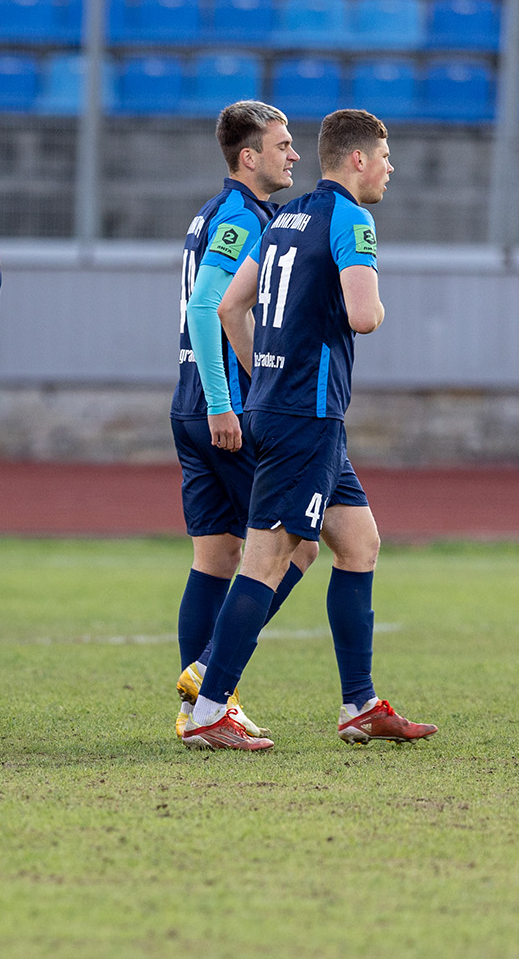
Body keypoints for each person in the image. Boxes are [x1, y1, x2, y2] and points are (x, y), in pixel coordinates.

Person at [184, 109, 438, 750]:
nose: (388, 168)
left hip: (290, 409)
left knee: (359, 545)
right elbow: (363, 316)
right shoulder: (353, 220)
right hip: (307, 415)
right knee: (268, 559)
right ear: (356, 159)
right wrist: (377, 299)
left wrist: (259, 376)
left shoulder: (283, 220)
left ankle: (358, 705)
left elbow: (228, 306)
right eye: (384, 156)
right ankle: (211, 704)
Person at [169, 101, 318, 743]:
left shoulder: (213, 211)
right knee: (299, 545)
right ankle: (210, 680)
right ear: (248, 157)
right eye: (282, 145)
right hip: (219, 406)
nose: (293, 156)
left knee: (216, 556)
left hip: (188, 401)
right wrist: (225, 400)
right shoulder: (241, 215)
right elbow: (208, 308)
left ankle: (194, 704)